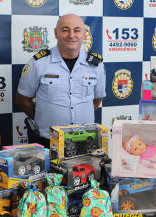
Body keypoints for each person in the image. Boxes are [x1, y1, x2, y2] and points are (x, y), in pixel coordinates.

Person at [15, 14, 106, 148]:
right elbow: (22, 100)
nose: (71, 35)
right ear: (56, 33)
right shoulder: (39, 63)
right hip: (48, 142)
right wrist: (43, 118)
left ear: (84, 35)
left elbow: (96, 100)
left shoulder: (96, 65)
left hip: (85, 141)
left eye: (77, 30)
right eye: (65, 30)